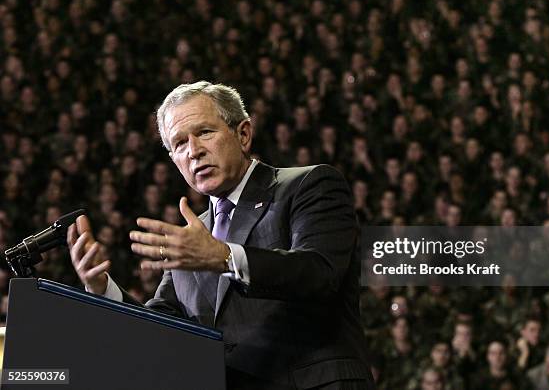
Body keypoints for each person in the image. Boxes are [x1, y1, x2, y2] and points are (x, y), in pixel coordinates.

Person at [67, 81, 374, 390]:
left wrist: (225, 257)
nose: (194, 151)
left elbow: (319, 273)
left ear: (243, 134)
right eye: (179, 144)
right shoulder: (191, 238)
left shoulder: (308, 185)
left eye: (204, 132)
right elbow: (158, 330)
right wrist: (102, 289)